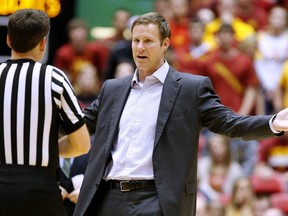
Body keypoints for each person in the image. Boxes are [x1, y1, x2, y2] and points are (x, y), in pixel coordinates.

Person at [74, 12, 288, 216]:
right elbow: (79, 125)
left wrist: (272, 122)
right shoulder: (112, 88)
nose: (140, 47)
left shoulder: (190, 88)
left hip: (156, 199)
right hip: (106, 197)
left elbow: (228, 122)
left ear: (165, 44)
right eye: (136, 40)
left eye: (148, 41)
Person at [0, 9, 91, 216]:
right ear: (43, 43)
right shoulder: (55, 79)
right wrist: (45, 148)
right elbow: (82, 145)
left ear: (8, 40)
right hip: (41, 189)